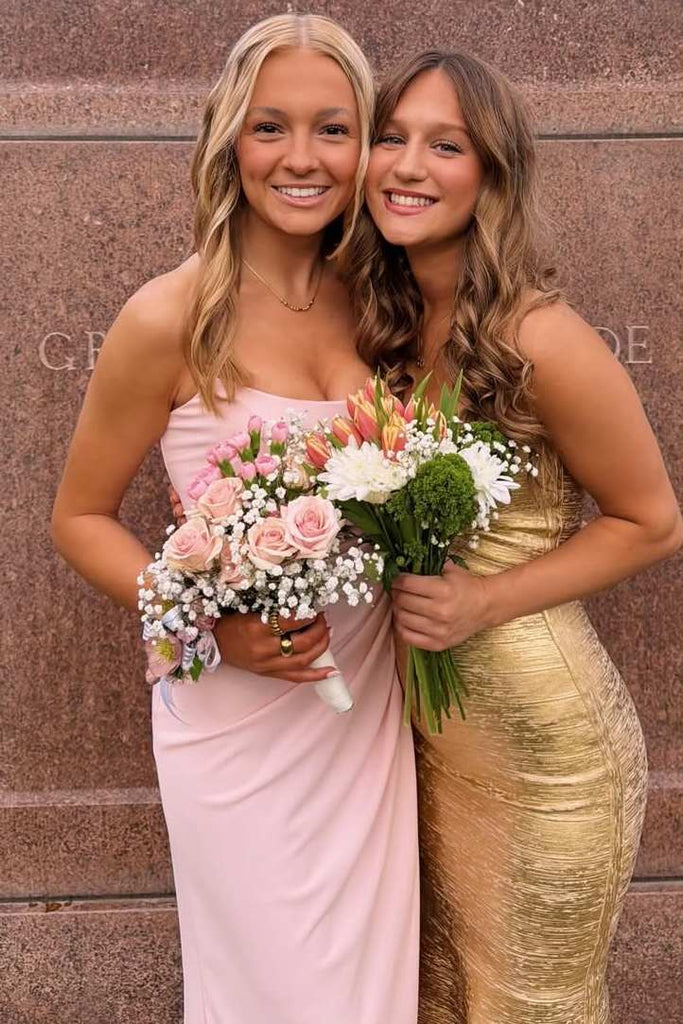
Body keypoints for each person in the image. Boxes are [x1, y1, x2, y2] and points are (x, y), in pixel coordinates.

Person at [50, 15, 419, 1024]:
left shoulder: (385, 306)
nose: (301, 158)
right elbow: (79, 518)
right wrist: (210, 623)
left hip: (366, 714)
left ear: (365, 144)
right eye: (269, 127)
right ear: (228, 140)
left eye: (332, 128)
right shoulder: (169, 316)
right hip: (236, 714)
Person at [344, 49, 682, 1023]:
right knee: (442, 996)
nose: (408, 166)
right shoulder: (385, 321)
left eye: (444, 146)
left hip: (544, 755)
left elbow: (651, 521)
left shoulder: (540, 336)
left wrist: (482, 598)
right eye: (391, 138)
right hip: (426, 746)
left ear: (491, 173)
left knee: (527, 1004)